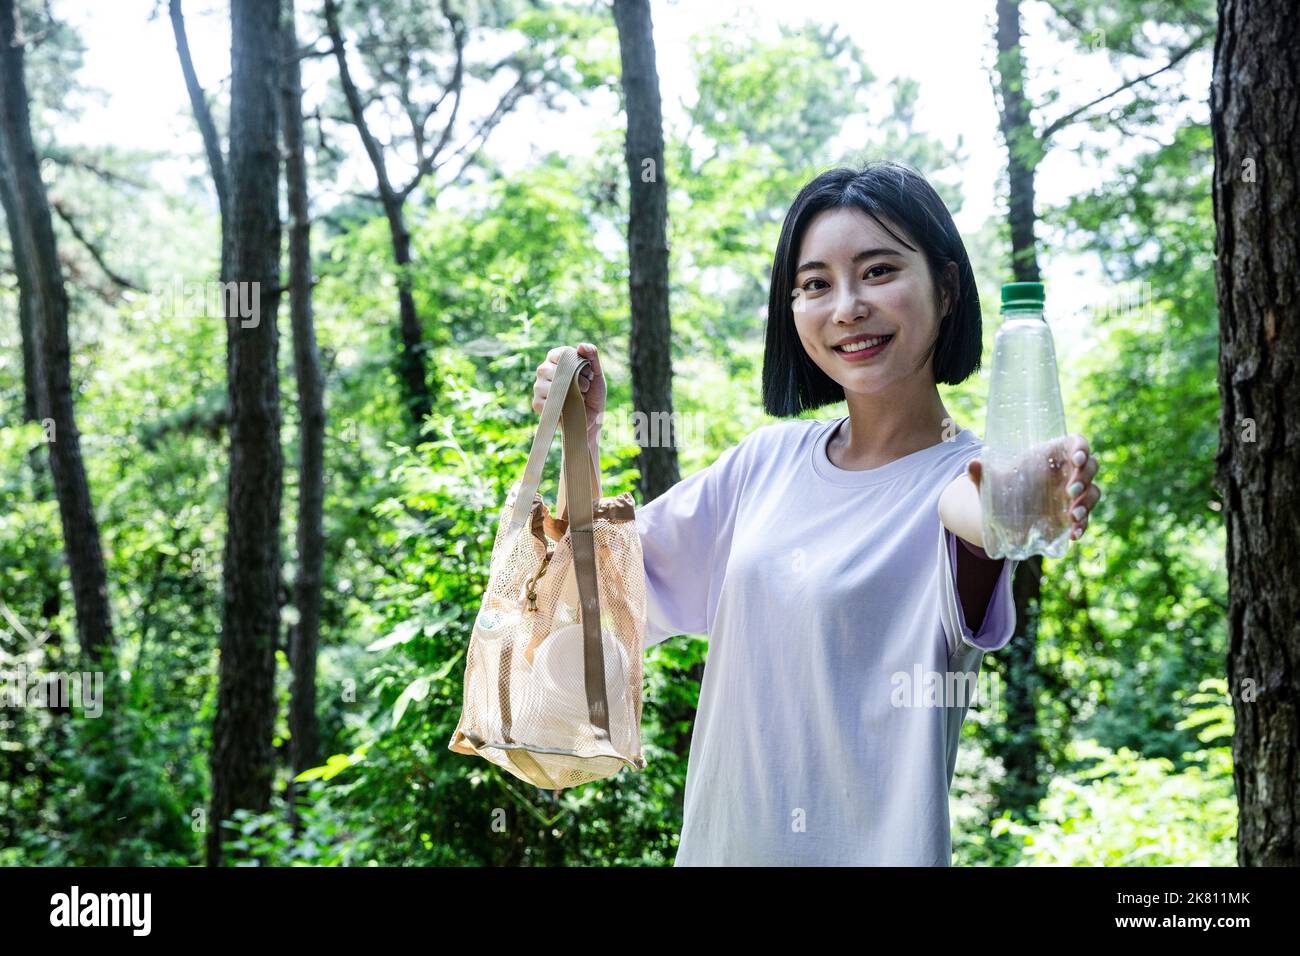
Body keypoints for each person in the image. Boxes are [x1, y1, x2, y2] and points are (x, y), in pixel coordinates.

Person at [531, 160, 1102, 866]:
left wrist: (1023, 493)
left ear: (947, 287)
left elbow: (977, 510)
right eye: (815, 284)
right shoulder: (761, 465)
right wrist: (578, 443)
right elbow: (592, 597)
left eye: (880, 271)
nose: (847, 307)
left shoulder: (959, 476)